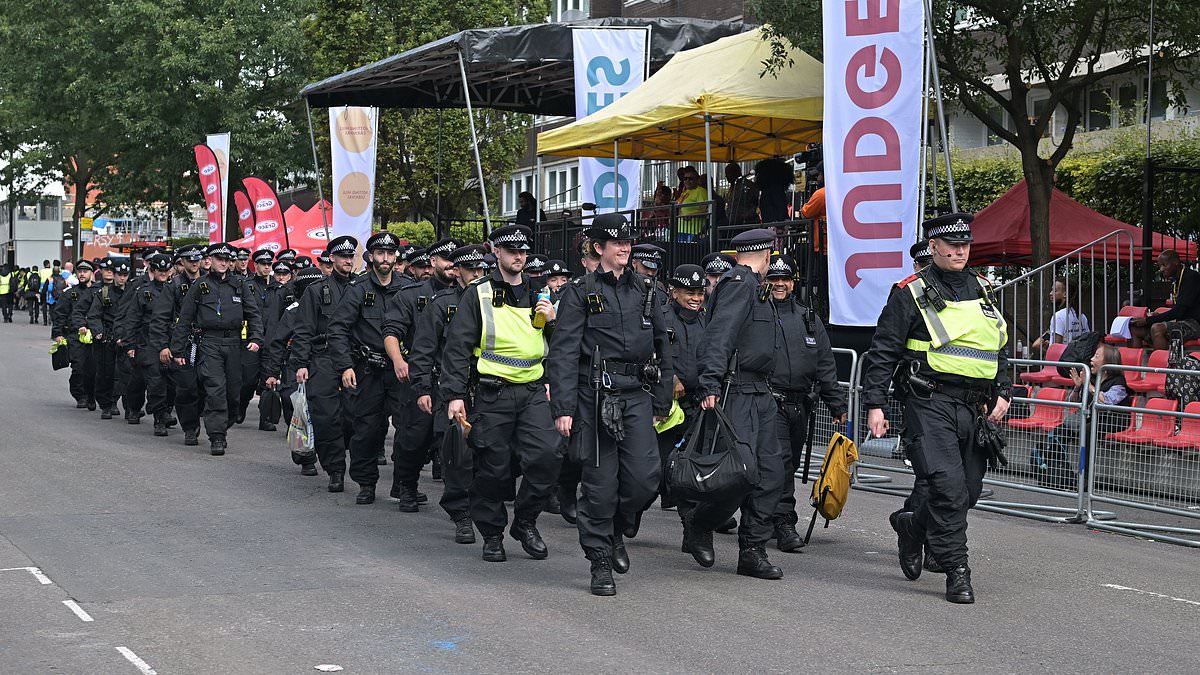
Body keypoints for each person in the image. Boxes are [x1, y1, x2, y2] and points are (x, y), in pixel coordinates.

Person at [862, 212, 1011, 604]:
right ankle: (957, 571)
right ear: (934, 247)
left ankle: (912, 527)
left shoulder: (982, 287)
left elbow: (998, 344)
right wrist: (875, 404)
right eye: (952, 245)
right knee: (947, 487)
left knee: (968, 492)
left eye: (965, 244)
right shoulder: (909, 291)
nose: (960, 251)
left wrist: (1005, 390)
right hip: (928, 401)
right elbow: (883, 351)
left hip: (974, 407)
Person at [547, 213, 673, 596]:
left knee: (645, 479)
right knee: (600, 485)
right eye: (616, 243)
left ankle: (618, 528)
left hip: (636, 393)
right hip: (594, 395)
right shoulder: (580, 291)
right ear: (598, 248)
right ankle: (600, 559)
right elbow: (563, 352)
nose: (624, 247)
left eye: (627, 242)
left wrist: (662, 399)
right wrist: (563, 408)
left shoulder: (647, 290)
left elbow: (663, 348)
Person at [441, 226, 561, 563]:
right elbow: (457, 348)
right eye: (511, 251)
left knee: (548, 457)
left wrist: (554, 320)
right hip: (493, 393)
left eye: (523, 251)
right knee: (493, 468)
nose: (519, 257)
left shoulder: (541, 292)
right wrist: (455, 395)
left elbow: (559, 344)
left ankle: (525, 521)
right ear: (496, 252)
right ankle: (492, 534)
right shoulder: (477, 294)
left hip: (534, 391)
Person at [683, 228, 786, 580]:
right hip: (737, 392)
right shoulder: (740, 284)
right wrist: (710, 382)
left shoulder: (755, 287)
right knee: (737, 474)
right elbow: (719, 335)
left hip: (760, 393)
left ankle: (752, 551)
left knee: (770, 474)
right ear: (768, 255)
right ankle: (700, 521)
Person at [764, 254, 847, 552]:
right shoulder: (757, 314)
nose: (779, 284)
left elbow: (825, 365)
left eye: (784, 279)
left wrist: (837, 405)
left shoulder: (809, 319)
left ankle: (765, 516)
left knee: (789, 463)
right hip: (767, 401)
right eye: (773, 278)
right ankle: (784, 522)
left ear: (793, 282)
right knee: (781, 463)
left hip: (800, 406)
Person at [405, 244, 485, 542]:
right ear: (458, 272)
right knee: (456, 456)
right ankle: (461, 514)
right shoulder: (442, 304)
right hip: (449, 390)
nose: (476, 274)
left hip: (487, 389)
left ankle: (482, 509)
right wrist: (422, 389)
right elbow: (423, 350)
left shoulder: (494, 303)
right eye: (470, 269)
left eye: (481, 269)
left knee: (488, 455)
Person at [327, 231, 408, 504]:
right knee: (366, 431)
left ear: (395, 257)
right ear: (371, 257)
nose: (385, 259)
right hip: (368, 370)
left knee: (410, 429)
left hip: (401, 371)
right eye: (380, 253)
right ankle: (366, 482)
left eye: (390, 253)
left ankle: (405, 485)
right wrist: (345, 366)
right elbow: (337, 329)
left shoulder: (407, 288)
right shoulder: (358, 289)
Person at [382, 237, 461, 510]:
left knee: (455, 442)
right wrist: (398, 361)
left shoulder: (470, 297)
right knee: (414, 438)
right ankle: (406, 486)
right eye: (446, 259)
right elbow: (391, 332)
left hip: (457, 380)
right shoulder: (411, 295)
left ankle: (459, 502)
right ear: (433, 262)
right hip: (421, 377)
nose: (452, 265)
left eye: (455, 260)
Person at [169, 243, 265, 455]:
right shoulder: (200, 285)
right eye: (219, 259)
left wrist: (256, 337)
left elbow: (254, 314)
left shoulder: (240, 285)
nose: (223, 263)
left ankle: (224, 422)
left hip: (234, 344)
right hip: (209, 343)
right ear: (209, 260)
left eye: (226, 259)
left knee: (233, 393)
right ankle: (217, 436)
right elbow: (185, 318)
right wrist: (177, 350)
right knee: (215, 389)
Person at [293, 235, 359, 492]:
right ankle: (335, 469)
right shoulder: (317, 291)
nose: (347, 261)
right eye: (343, 256)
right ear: (331, 258)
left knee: (354, 418)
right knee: (326, 418)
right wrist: (301, 362)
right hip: (323, 358)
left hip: (355, 359)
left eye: (351, 256)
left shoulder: (361, 287)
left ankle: (352, 461)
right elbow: (304, 329)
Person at [263, 266, 326, 476]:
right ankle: (305, 457)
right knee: (294, 408)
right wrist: (271, 373)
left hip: (321, 364)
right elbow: (277, 343)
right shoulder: (292, 312)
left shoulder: (330, 308)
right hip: (292, 366)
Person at [657, 264, 706, 517]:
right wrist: (671, 379)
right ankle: (630, 514)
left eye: (700, 292)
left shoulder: (707, 322)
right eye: (690, 292)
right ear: (674, 292)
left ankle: (694, 525)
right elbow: (651, 356)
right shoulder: (660, 318)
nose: (696, 298)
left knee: (692, 465)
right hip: (665, 408)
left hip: (697, 405)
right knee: (655, 468)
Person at [151, 245, 207, 446]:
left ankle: (206, 420)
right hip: (183, 343)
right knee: (186, 388)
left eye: (197, 259)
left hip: (209, 344)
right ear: (181, 262)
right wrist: (163, 346)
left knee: (207, 387)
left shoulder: (209, 283)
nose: (194, 263)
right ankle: (190, 428)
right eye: (189, 259)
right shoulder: (173, 286)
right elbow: (159, 318)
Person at [116, 253, 175, 436]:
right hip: (147, 342)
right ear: (152, 270)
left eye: (166, 270)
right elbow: (132, 319)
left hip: (171, 340)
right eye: (160, 270)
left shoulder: (177, 290)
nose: (163, 273)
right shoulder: (143, 291)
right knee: (150, 381)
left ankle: (165, 411)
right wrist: (130, 345)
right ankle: (157, 417)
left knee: (173, 382)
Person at [85, 261, 131, 420]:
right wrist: (98, 332)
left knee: (127, 373)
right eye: (119, 275)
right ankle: (106, 404)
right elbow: (93, 315)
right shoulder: (104, 293)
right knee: (106, 373)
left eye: (125, 275)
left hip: (126, 337)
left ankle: (129, 407)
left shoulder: (132, 293)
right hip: (108, 337)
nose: (121, 279)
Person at [1131, 250, 1200, 350]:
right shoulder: (1175, 280)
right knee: (1135, 329)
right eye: (1160, 266)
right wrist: (1156, 317)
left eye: (1164, 265)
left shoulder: (1191, 277)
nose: (1161, 269)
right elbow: (1179, 311)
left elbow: (1179, 311)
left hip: (1195, 324)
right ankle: (1132, 365)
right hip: (1182, 322)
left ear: (1176, 262)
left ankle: (1162, 364)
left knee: (1157, 329)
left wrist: (1148, 320)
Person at [53, 260, 97, 408]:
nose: (82, 274)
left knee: (94, 368)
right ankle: (80, 395)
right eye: (80, 271)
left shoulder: (99, 292)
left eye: (85, 271)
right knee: (78, 366)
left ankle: (92, 395)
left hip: (96, 335)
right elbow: (60, 314)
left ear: (91, 273)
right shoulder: (70, 293)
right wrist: (58, 334)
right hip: (74, 335)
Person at [1031, 278, 1090, 353]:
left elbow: (1056, 348)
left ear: (1065, 294)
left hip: (1061, 362)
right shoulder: (1082, 316)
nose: (1050, 293)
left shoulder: (1058, 316)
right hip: (1077, 360)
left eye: (1055, 291)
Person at [755, 157, 794, 224]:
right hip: (774, 226)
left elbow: (780, 210)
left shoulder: (772, 190)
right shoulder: (776, 189)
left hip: (774, 227)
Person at [675, 167, 709, 242]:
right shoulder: (685, 192)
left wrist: (691, 215)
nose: (687, 181)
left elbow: (706, 210)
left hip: (694, 231)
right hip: (681, 229)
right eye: (685, 178)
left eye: (691, 179)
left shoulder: (700, 191)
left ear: (697, 180)